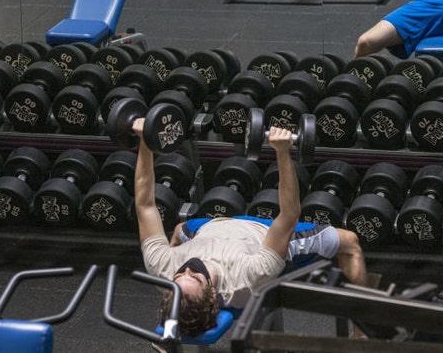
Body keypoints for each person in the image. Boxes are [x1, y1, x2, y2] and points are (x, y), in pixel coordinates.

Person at [133, 119, 368, 337]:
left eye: (179, 275)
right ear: (213, 294)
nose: (186, 268)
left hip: (208, 228)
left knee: (178, 229)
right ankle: (362, 337)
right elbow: (288, 214)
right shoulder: (249, 276)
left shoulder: (162, 267)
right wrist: (283, 152)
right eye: (194, 276)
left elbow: (145, 204)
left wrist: (145, 142)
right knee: (350, 243)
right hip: (261, 234)